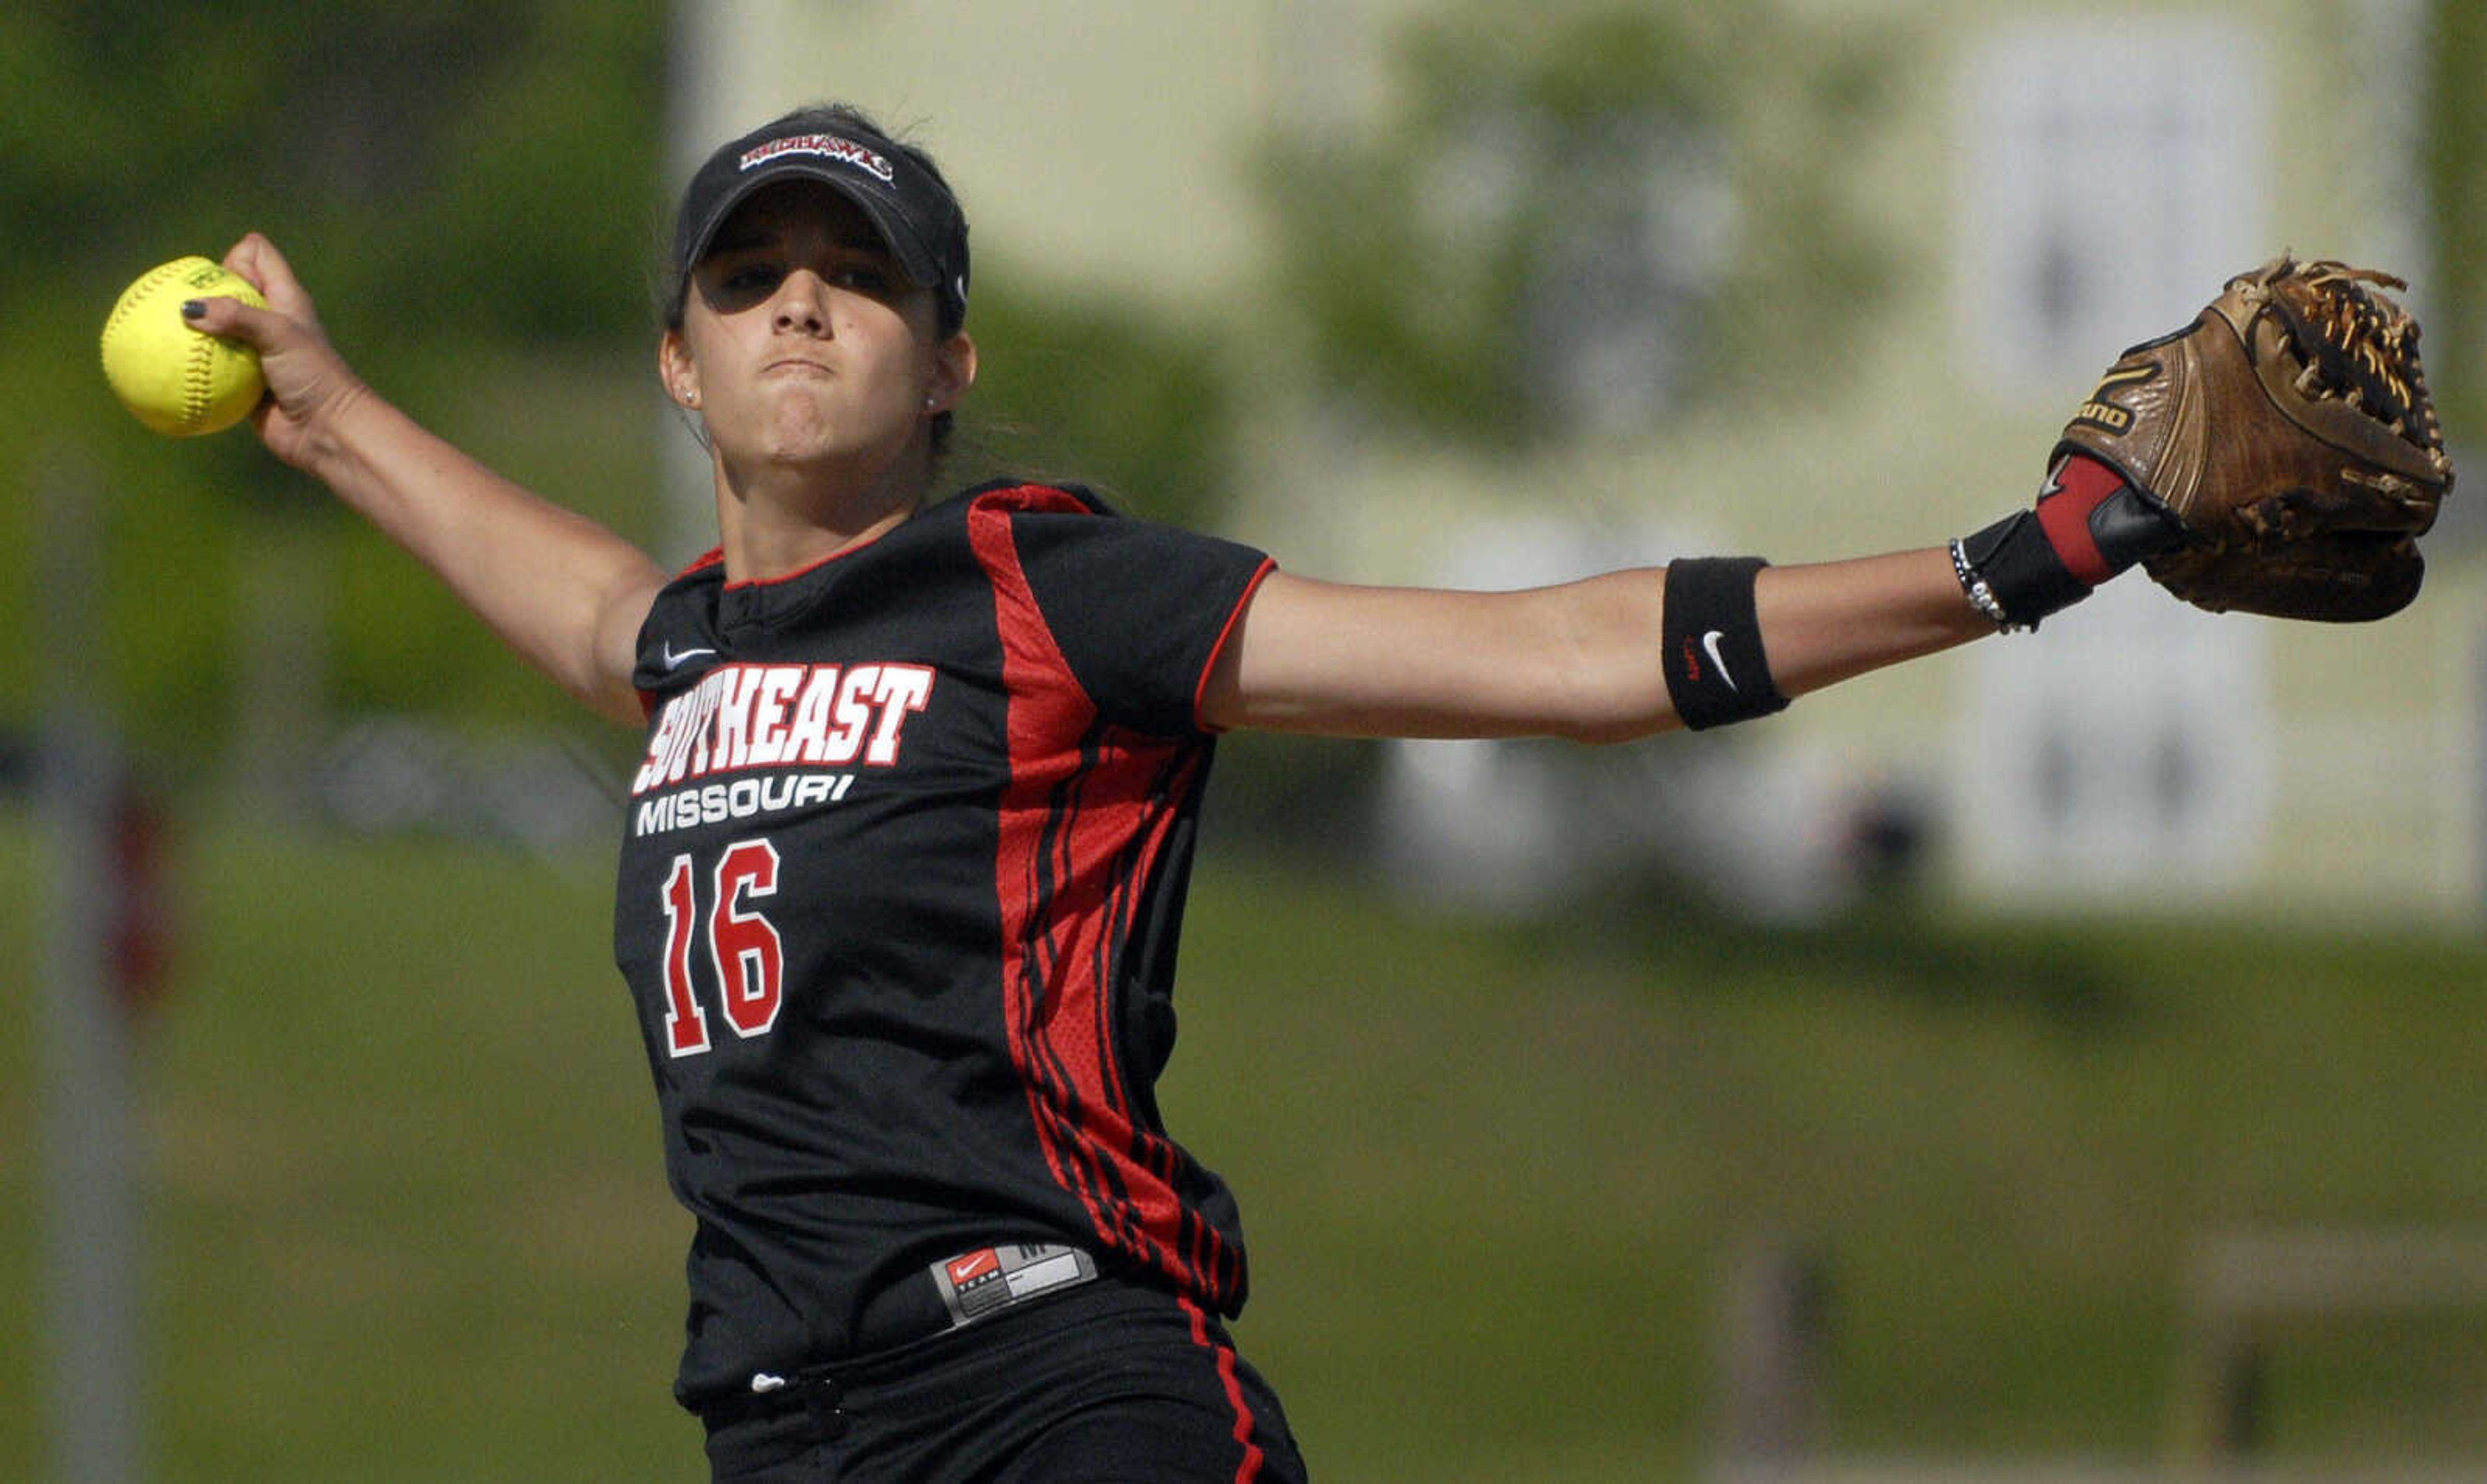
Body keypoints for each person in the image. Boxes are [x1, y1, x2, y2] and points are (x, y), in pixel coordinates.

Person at [186, 102, 2179, 1483]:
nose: (799, 300)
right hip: (781, 1427)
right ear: (679, 368)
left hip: (1061, 1393)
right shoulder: (694, 652)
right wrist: (339, 413)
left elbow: (1546, 660)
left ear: (950, 358)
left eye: (857, 277)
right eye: (749, 272)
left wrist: (2010, 563)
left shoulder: (1049, 591)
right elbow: (589, 602)